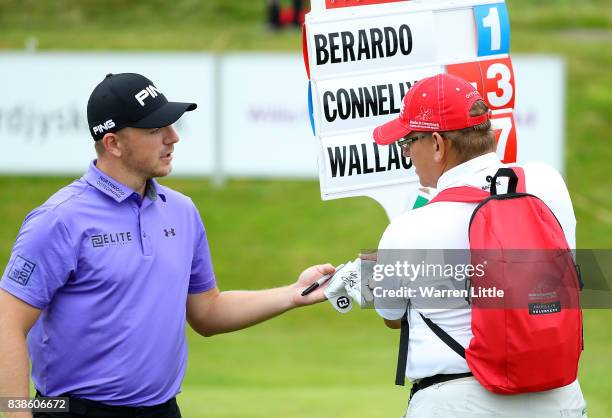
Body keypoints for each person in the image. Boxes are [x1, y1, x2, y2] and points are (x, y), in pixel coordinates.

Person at [0, 72, 335, 418]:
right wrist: (17, 413)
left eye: (170, 126)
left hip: (163, 411)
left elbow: (207, 311)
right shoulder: (58, 219)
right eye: (154, 130)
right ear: (113, 143)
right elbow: (6, 322)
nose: (173, 138)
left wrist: (293, 293)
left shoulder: (181, 211)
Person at [370, 73, 587, 417]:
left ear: (438, 145)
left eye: (409, 142)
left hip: (456, 401)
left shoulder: (408, 229)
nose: (408, 153)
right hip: (558, 397)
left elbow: (391, 316)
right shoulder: (547, 185)